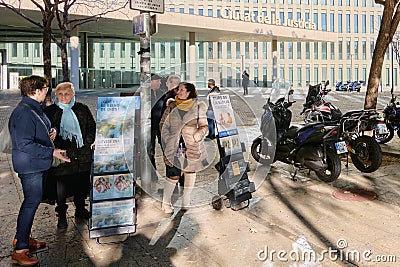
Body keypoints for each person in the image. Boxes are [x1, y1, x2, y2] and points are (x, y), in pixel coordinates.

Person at [9, 75, 70, 266]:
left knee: (31, 202)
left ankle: (23, 238)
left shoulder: (34, 108)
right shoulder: (24, 113)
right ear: (35, 91)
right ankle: (20, 250)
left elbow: (44, 124)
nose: (46, 92)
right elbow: (24, 143)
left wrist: (52, 130)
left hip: (35, 164)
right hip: (30, 166)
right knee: (31, 203)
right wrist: (53, 151)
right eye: (45, 89)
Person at [44, 82, 96, 229]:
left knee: (81, 183)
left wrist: (86, 142)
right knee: (61, 187)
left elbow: (92, 127)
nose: (63, 97)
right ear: (56, 95)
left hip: (82, 154)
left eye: (67, 93)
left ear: (73, 94)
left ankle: (80, 209)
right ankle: (61, 215)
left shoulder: (82, 109)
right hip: (62, 155)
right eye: (60, 94)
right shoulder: (50, 111)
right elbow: (46, 132)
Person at [159, 82, 208, 213]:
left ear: (189, 93)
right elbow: (163, 124)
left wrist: (197, 136)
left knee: (190, 173)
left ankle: (186, 201)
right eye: (178, 90)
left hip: (191, 145)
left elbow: (204, 126)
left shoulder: (198, 107)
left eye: (181, 90)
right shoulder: (171, 106)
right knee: (173, 174)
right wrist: (167, 139)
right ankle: (165, 203)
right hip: (174, 146)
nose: (178, 92)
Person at [149, 73, 167, 180]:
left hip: (161, 127)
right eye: (158, 81)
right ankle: (152, 174)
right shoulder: (144, 94)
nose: (160, 83)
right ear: (151, 82)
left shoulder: (162, 94)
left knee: (166, 149)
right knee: (150, 150)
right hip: (149, 127)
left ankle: (170, 173)